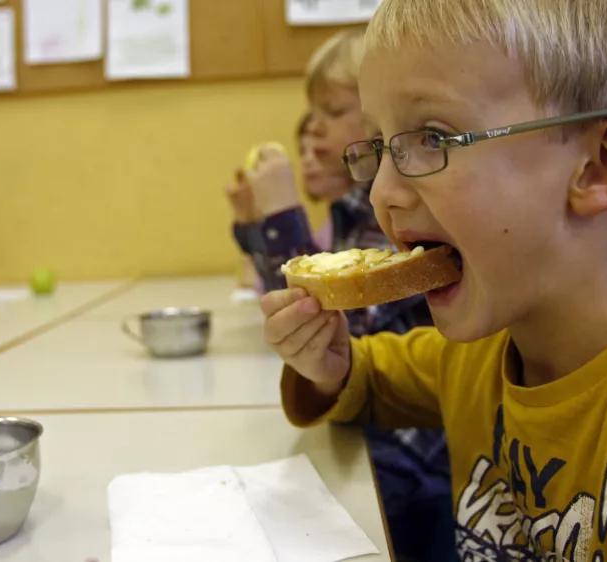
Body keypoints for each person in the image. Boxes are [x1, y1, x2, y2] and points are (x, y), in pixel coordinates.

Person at [262, 0, 607, 559]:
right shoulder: (486, 347)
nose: (380, 195)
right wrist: (327, 366)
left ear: (600, 167)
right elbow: (371, 378)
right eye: (379, 147)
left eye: (432, 137)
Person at [230, 29, 456, 560]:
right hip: (369, 430)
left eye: (331, 112)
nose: (313, 130)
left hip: (410, 467)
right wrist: (252, 222)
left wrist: (282, 216)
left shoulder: (396, 212)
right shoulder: (353, 209)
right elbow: (307, 313)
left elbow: (352, 319)